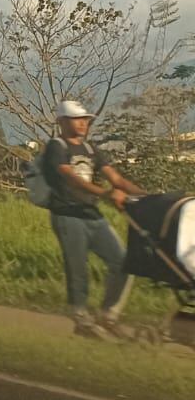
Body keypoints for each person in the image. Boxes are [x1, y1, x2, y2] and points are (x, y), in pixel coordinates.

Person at [42, 99, 146, 339]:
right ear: (62, 122)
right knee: (78, 268)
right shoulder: (56, 147)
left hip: (91, 214)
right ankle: (81, 320)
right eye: (77, 119)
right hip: (68, 215)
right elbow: (70, 178)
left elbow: (117, 180)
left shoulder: (90, 150)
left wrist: (148, 197)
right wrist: (104, 194)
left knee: (122, 261)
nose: (83, 123)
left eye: (85, 119)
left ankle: (108, 316)